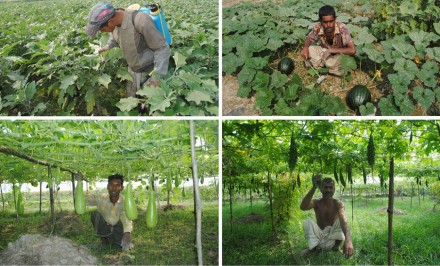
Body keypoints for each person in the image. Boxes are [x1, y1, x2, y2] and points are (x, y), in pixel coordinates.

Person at [85, 2, 171, 97]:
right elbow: (114, 37)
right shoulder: (114, 24)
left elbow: (162, 48)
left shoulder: (140, 20)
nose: (102, 32)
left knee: (148, 103)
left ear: (110, 22)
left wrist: (156, 78)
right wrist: (107, 47)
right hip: (132, 71)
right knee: (132, 100)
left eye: (102, 29)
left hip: (150, 72)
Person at [299, 174, 354, 258]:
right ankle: (313, 248)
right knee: (307, 222)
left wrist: (348, 240)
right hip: (320, 237)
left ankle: (336, 247)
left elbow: (344, 221)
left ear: (334, 190)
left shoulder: (338, 204)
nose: (328, 190)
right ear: (321, 189)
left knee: (341, 221)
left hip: (333, 237)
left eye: (330, 187)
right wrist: (314, 187)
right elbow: (303, 207)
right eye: (325, 187)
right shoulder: (316, 202)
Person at [300, 5, 356, 77]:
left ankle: (326, 66)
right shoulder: (318, 27)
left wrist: (332, 50)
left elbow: (352, 50)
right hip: (326, 52)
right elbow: (309, 38)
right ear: (320, 21)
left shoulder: (342, 28)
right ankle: (327, 67)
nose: (329, 25)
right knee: (310, 49)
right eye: (325, 22)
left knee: (336, 65)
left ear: (335, 19)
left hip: (340, 55)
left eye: (331, 21)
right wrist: (305, 48)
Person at [88, 174, 134, 250]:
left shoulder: (126, 202)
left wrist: (127, 233)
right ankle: (104, 240)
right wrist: (79, 183)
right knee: (95, 214)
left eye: (117, 185)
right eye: (111, 185)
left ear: (121, 188)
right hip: (106, 228)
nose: (114, 188)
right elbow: (82, 199)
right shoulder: (100, 198)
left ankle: (116, 240)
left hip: (117, 229)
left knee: (121, 245)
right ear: (107, 186)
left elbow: (127, 218)